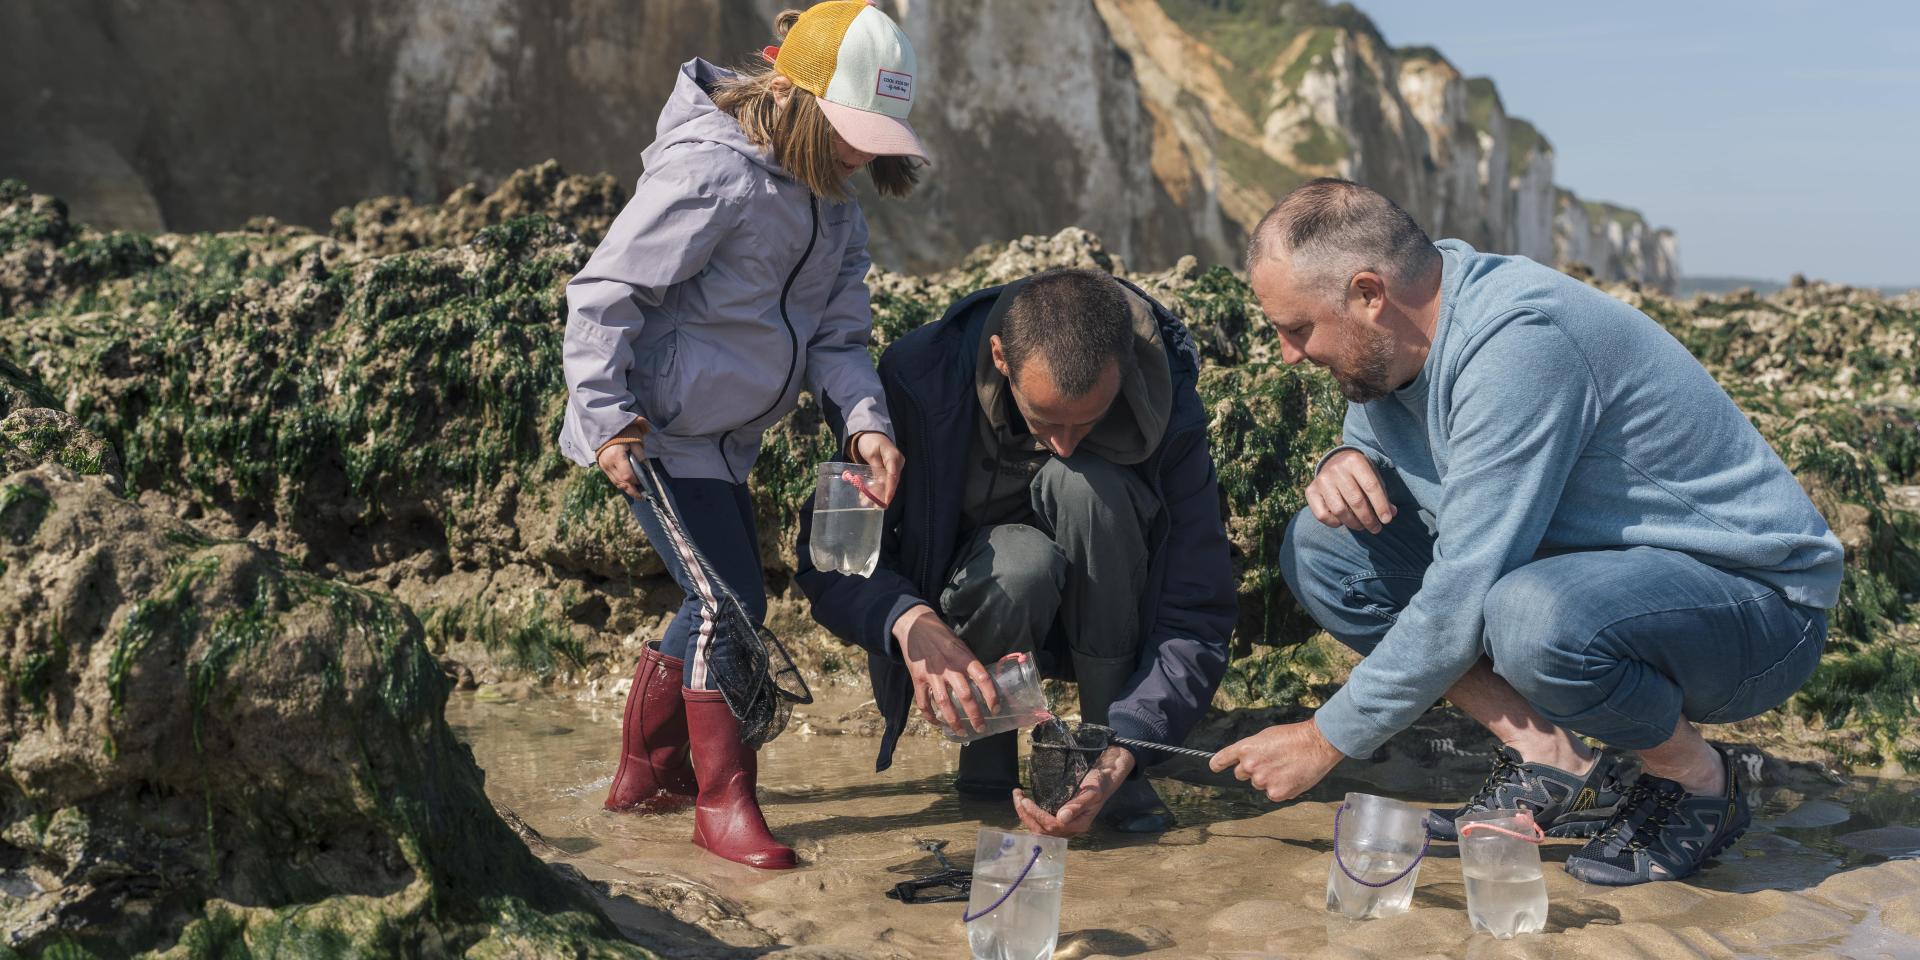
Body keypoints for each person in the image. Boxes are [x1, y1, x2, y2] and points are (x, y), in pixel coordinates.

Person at [1213, 178, 1841, 885]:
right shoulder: (1408, 325)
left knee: (1529, 617)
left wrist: (1323, 738)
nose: (1289, 354)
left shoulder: (1519, 344)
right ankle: (1549, 756)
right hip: (1595, 579)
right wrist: (1348, 457)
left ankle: (1697, 779)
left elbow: (1461, 592)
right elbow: (1391, 420)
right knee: (1325, 551)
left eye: (1297, 329)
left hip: (1754, 605)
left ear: (1368, 292)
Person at [557, 1, 928, 870]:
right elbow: (604, 293)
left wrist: (865, 421)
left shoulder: (834, 203)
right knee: (732, 606)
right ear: (796, 96)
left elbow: (839, 335)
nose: (864, 154)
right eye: (854, 131)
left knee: (713, 599)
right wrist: (609, 418)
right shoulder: (711, 172)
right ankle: (723, 802)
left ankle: (646, 774)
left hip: (726, 441)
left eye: (878, 136)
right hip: (657, 434)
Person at [795, 267, 1238, 836]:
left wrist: (1131, 745)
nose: (1064, 442)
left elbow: (1195, 610)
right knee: (1020, 562)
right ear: (1000, 358)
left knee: (1085, 484)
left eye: (1090, 420)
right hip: (972, 608)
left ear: (1123, 368)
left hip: (1113, 611)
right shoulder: (918, 379)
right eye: (1045, 419)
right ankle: (986, 763)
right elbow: (827, 556)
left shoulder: (1171, 406)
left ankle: (1101, 757)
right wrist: (907, 619)